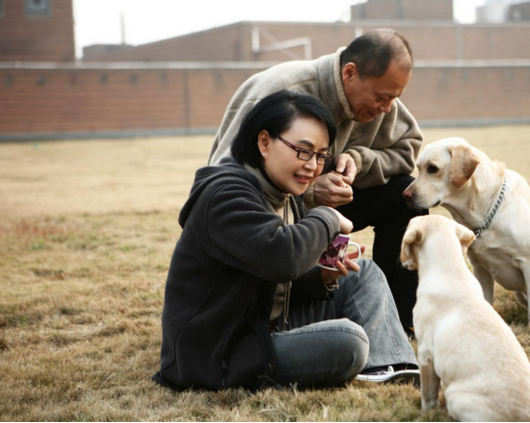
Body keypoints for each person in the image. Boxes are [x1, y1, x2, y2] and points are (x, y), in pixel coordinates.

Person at [153, 90, 418, 391]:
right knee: (350, 339)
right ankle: (366, 361)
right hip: (221, 352)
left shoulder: (283, 193)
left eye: (321, 156)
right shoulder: (224, 195)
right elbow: (282, 257)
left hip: (263, 323)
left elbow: (277, 279)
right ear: (264, 142)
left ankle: (390, 367)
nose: (313, 166)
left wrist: (324, 277)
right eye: (303, 151)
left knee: (364, 273)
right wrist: (328, 218)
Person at [208, 29, 427, 333]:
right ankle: (284, 307)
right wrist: (309, 193)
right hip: (264, 221)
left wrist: (359, 160)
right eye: (381, 98)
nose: (387, 109)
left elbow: (407, 149)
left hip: (326, 208)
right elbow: (225, 182)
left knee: (404, 195)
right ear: (350, 73)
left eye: (394, 98)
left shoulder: (381, 100)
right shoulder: (280, 90)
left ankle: (401, 322)